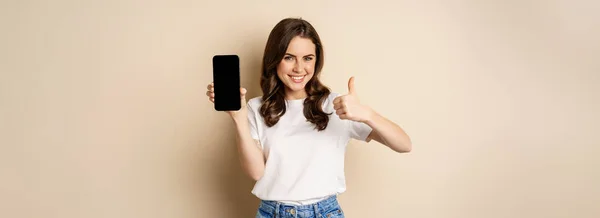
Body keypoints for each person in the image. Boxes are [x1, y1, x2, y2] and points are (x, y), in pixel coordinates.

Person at [206, 17, 411, 218]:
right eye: (288, 57)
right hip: (272, 213)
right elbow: (257, 173)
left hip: (325, 213)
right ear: (274, 60)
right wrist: (238, 117)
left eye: (307, 58)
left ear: (316, 60)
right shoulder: (256, 107)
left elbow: (404, 144)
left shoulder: (337, 105)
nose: (299, 68)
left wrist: (367, 115)